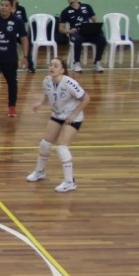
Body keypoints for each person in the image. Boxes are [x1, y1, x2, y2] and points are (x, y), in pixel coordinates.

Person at [26, 57, 88, 193]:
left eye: (55, 65)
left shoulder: (70, 83)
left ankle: (69, 182)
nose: (52, 67)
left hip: (73, 117)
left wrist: (73, 114)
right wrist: (39, 103)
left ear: (62, 70)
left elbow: (86, 98)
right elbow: (45, 93)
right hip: (57, 114)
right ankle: (39, 171)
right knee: (45, 144)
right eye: (51, 65)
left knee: (62, 148)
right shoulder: (47, 80)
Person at [58, 0, 104, 73]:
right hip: (76, 33)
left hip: (88, 31)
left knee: (102, 39)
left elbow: (95, 19)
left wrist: (95, 27)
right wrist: (69, 31)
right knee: (78, 39)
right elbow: (61, 29)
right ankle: (77, 63)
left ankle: (97, 62)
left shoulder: (87, 7)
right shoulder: (65, 11)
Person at [6, 0, 33, 72]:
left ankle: (30, 66)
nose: (11, 1)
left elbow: (25, 23)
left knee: (27, 44)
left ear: (16, 0)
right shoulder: (6, 9)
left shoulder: (21, 9)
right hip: (10, 33)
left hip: (20, 33)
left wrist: (21, 32)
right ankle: (7, 66)